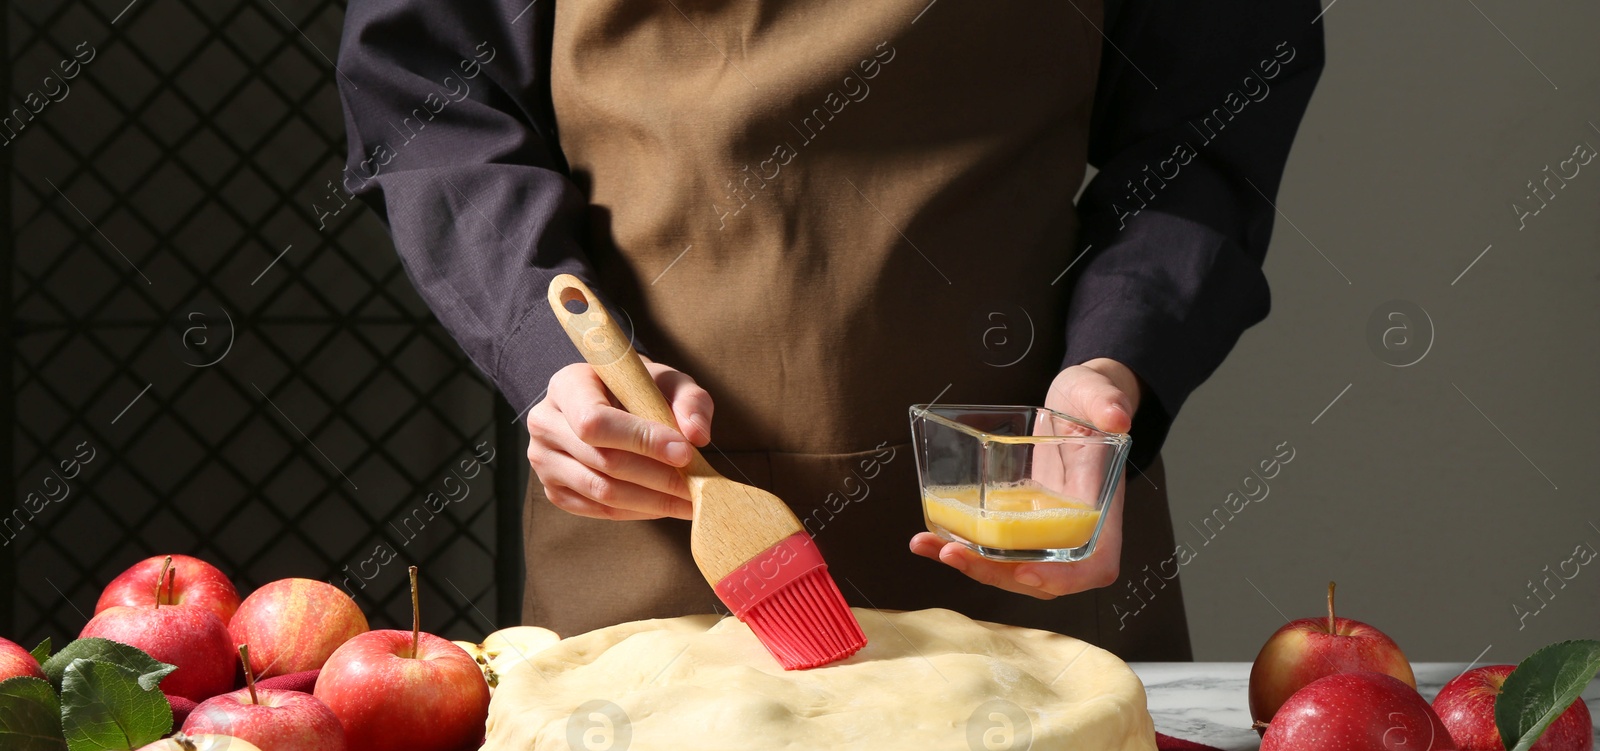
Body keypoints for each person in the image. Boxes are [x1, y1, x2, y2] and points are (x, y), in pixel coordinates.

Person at [336, 0, 1323, 660]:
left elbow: (1207, 121)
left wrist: (1119, 360)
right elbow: (428, 93)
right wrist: (545, 347)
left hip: (1028, 523)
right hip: (645, 531)